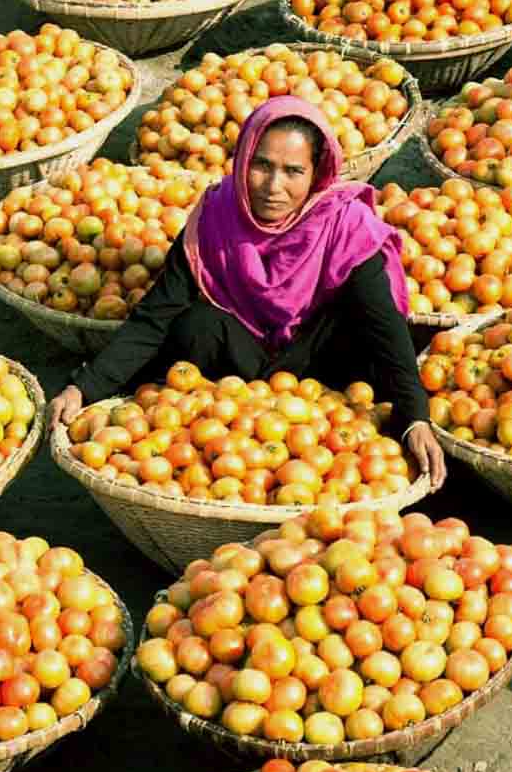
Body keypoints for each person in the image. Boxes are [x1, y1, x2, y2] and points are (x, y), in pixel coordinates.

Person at [49, 95, 447, 488]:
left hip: (324, 371)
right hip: (232, 385)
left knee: (362, 330)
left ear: (316, 174)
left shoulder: (345, 225)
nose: (273, 186)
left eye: (293, 171)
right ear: (242, 161)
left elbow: (387, 329)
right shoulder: (217, 216)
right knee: (195, 325)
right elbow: (155, 317)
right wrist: (84, 387)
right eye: (261, 165)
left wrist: (415, 417)